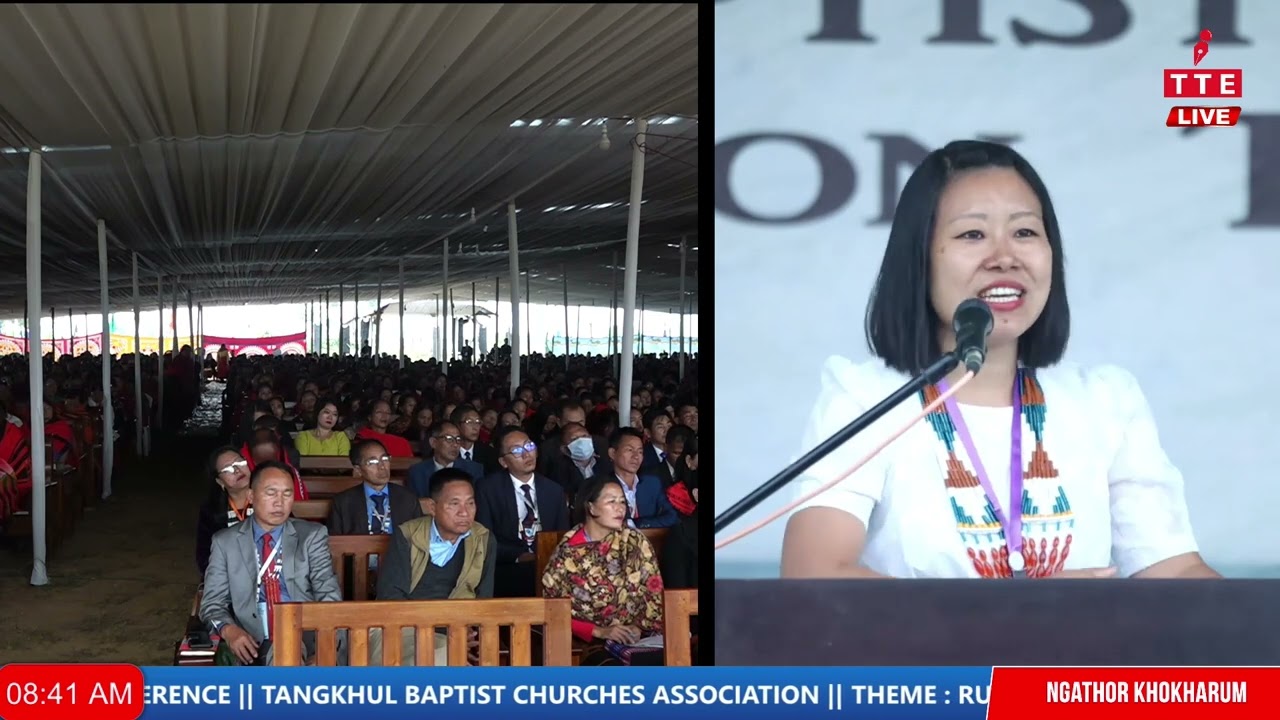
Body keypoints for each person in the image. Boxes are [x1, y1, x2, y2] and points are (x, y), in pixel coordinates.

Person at [780, 140, 1219, 581]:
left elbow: (1173, 571)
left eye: (1025, 232)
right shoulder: (866, 397)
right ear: (919, 259)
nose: (1005, 257)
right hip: (926, 654)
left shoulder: (1105, 401)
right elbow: (812, 575)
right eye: (972, 234)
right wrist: (1013, 612)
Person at [199, 462, 343, 665]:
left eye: (287, 494)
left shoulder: (311, 536)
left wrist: (326, 645)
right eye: (271, 493)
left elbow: (329, 595)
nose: (280, 502)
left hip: (305, 635)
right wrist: (229, 630)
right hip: (252, 642)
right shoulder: (226, 542)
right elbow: (211, 604)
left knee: (286, 654)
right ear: (251, 496)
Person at [371, 468, 496, 665]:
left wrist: (468, 629)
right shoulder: (408, 535)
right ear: (432, 506)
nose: (464, 512)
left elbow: (484, 598)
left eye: (470, 503)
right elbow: (391, 596)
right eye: (454, 504)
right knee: (437, 658)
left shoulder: (483, 539)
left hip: (457, 628)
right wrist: (440, 626)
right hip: (404, 625)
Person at [542, 475, 665, 666]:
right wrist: (599, 631)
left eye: (623, 502)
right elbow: (551, 610)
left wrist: (638, 628)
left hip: (638, 639)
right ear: (590, 507)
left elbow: (652, 593)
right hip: (588, 643)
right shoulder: (569, 553)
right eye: (611, 502)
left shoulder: (634, 542)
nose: (620, 508)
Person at [475, 427, 571, 597]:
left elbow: (562, 536)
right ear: (504, 462)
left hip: (546, 564)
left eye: (529, 446)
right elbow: (484, 537)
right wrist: (519, 556)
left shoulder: (554, 490)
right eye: (517, 451)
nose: (527, 454)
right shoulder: (487, 489)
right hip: (507, 564)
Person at [326, 440, 423, 535]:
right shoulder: (342, 502)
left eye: (384, 459)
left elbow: (420, 539)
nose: (382, 466)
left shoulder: (408, 498)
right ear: (358, 470)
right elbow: (335, 543)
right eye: (372, 462)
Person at [195, 446, 254, 574]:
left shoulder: (268, 498)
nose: (237, 470)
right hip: (230, 576)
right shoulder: (210, 511)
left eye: (239, 462)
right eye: (228, 469)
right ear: (219, 481)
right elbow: (204, 556)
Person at [608, 428, 677, 529]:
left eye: (640, 452)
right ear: (612, 453)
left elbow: (672, 517)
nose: (636, 456)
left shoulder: (651, 483)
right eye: (630, 450)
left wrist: (636, 524)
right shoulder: (602, 486)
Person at [407, 421, 484, 496]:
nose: (455, 445)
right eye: (449, 439)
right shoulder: (417, 472)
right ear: (433, 442)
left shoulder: (474, 469)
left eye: (458, 439)